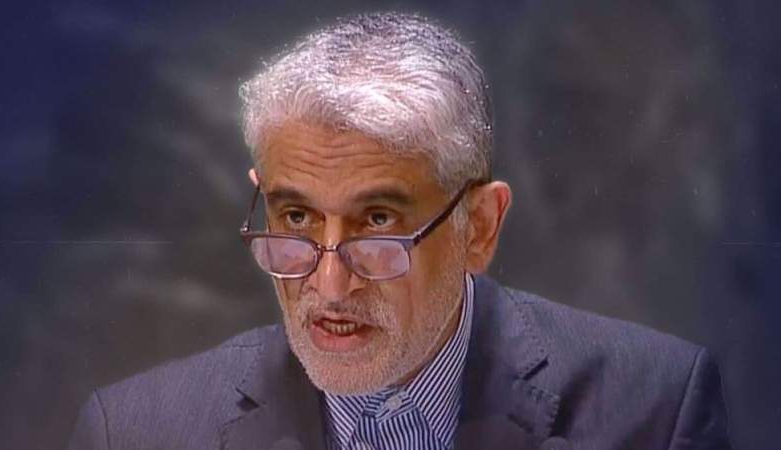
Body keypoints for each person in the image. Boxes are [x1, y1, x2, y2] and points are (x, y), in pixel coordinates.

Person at [67, 12, 731, 450]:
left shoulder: (655, 409)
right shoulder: (135, 432)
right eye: (295, 218)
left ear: (480, 227)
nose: (330, 285)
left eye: (378, 222)